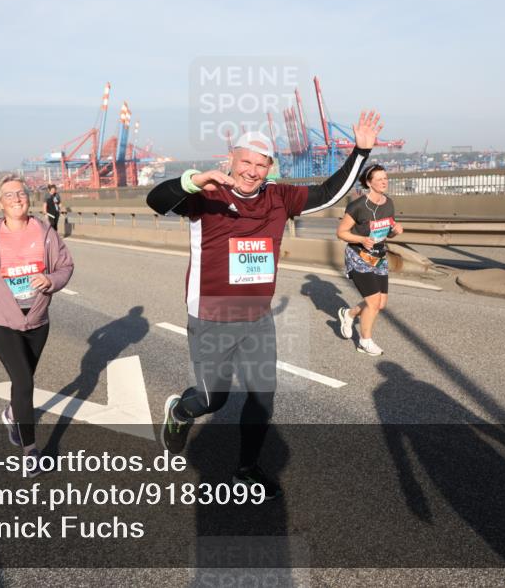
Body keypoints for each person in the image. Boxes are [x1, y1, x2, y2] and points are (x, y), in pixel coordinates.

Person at [146, 112, 382, 498]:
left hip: (257, 318)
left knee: (261, 398)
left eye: (261, 164)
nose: (252, 172)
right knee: (212, 398)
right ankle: (180, 410)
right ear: (231, 160)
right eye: (246, 162)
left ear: (269, 167)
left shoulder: (278, 197)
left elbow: (328, 194)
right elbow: (156, 201)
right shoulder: (205, 197)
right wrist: (193, 179)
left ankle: (245, 469)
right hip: (211, 314)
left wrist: (361, 151)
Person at [0, 174, 74, 476]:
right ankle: (30, 451)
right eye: (9, 195)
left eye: (21, 193)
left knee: (23, 381)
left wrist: (51, 280)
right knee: (24, 382)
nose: (17, 198)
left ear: (28, 198)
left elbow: (65, 266)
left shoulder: (45, 232)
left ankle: (11, 413)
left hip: (36, 319)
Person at [336, 164, 404, 355]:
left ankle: (348, 314)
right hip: (358, 257)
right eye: (379, 178)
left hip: (379, 256)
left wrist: (395, 232)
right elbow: (341, 233)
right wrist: (361, 240)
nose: (384, 181)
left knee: (380, 304)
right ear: (369, 182)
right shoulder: (357, 206)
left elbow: (386, 233)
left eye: (386, 178)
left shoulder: (388, 203)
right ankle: (364, 342)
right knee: (373, 303)